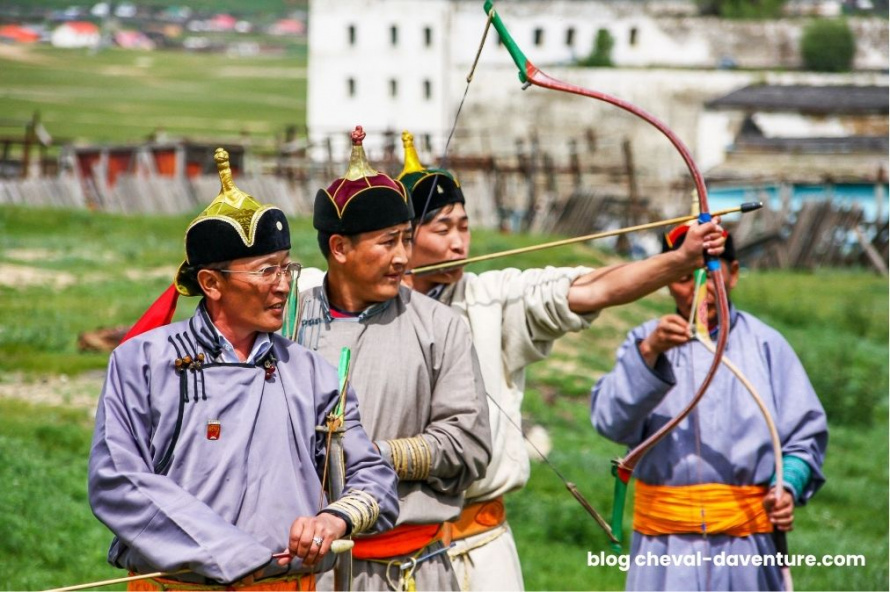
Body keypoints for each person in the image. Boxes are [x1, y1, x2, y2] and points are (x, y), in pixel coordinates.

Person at [396, 130, 728, 591]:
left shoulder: (490, 297)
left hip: (481, 546)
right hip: (392, 550)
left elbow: (593, 289)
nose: (459, 243)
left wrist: (679, 262)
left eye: (464, 226)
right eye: (442, 228)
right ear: (402, 239)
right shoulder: (364, 311)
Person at [88, 148, 399, 591]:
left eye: (287, 266)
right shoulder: (142, 362)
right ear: (212, 283)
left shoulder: (309, 373)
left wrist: (334, 520)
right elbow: (116, 480)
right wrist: (234, 554)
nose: (284, 284)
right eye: (265, 270)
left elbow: (373, 477)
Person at [295, 126, 492, 591]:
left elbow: (470, 444)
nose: (404, 257)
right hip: (311, 571)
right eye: (388, 242)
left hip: (412, 569)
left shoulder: (441, 326)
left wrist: (373, 457)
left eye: (407, 239)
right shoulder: (287, 325)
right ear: (340, 248)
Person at [590, 225, 828, 591]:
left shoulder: (766, 345)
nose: (700, 290)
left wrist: (786, 487)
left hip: (746, 546)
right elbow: (610, 422)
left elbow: (803, 438)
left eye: (711, 273)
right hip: (663, 551)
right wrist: (650, 354)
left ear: (733, 274)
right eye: (684, 277)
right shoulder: (645, 342)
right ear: (666, 281)